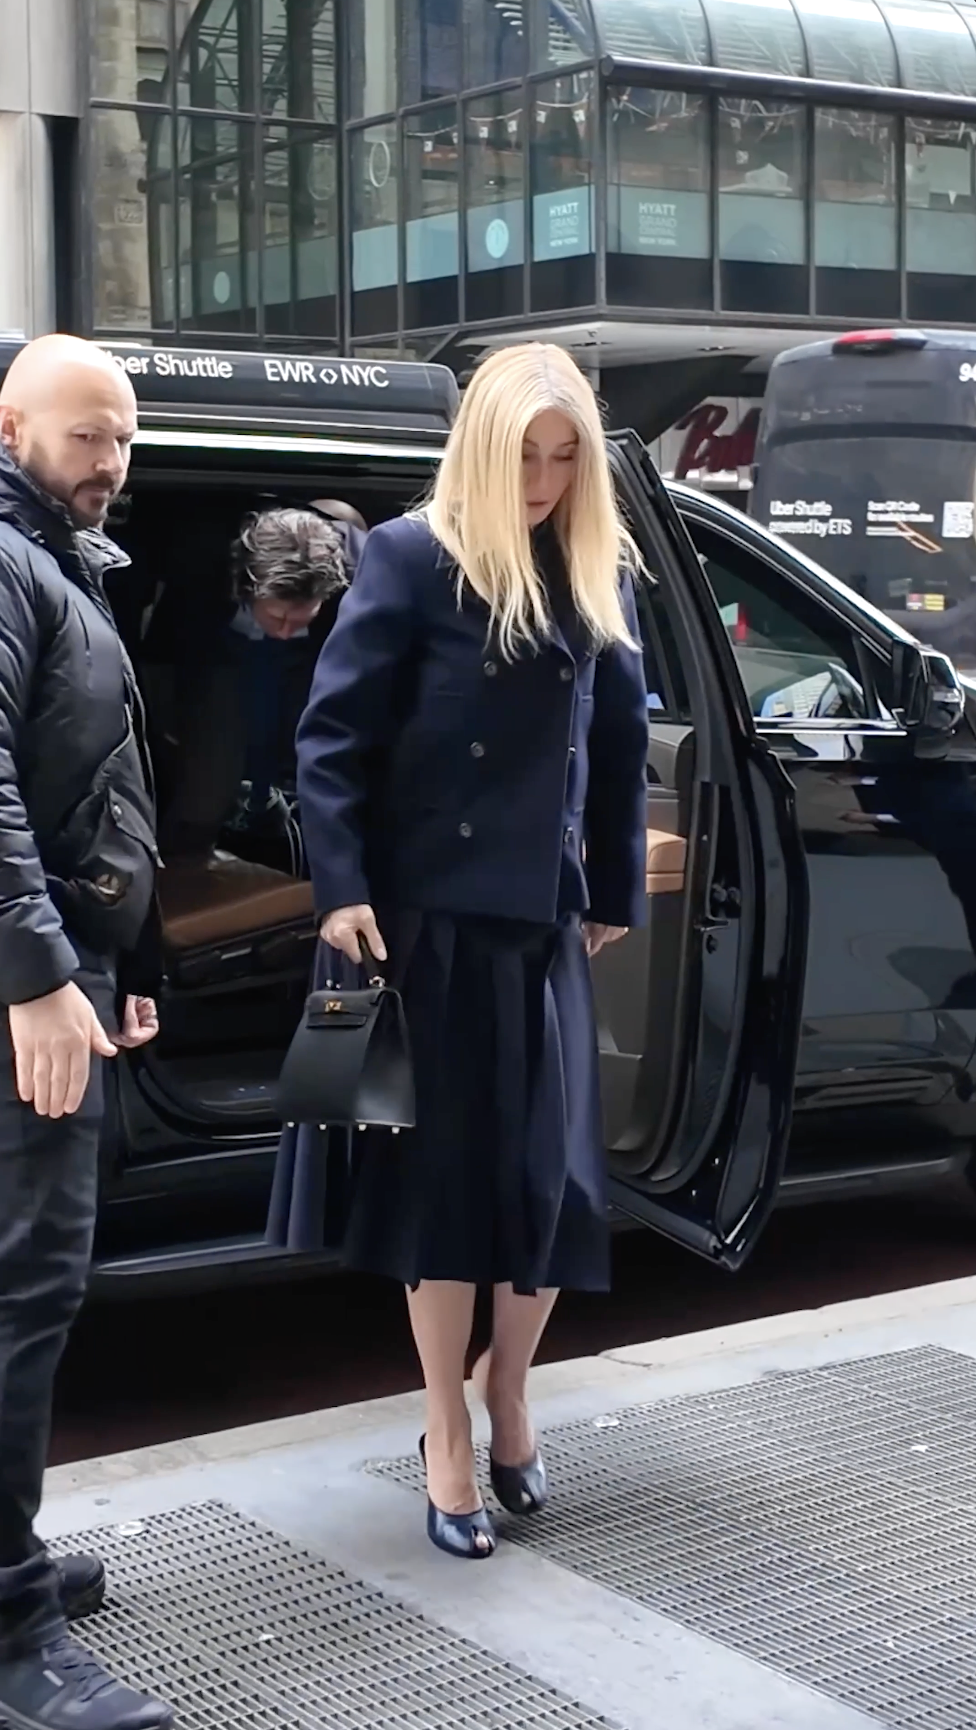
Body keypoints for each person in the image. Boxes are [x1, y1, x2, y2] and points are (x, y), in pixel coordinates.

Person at [293, 342, 648, 1559]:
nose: (546, 478)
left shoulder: (598, 562)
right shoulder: (409, 556)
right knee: (447, 1190)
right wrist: (340, 890)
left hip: (542, 917)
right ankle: (447, 1426)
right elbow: (331, 738)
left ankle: (509, 1391)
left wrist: (606, 887)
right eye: (528, 455)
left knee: (548, 1184)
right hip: (427, 917)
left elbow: (615, 740)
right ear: (484, 447)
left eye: (566, 457)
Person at [0, 335, 172, 1728]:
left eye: (121, 437)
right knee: (24, 1293)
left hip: (65, 976)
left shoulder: (52, 556)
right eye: (83, 437)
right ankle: (9, 1631)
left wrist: (134, 954)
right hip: (22, 1004)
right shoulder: (6, 560)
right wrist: (40, 978)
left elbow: (97, 779)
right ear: (12, 428)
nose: (109, 462)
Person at [145, 505, 348, 862]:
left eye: (300, 619)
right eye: (277, 617)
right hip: (213, 661)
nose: (286, 632)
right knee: (208, 778)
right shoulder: (199, 572)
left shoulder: (354, 582)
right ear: (247, 587)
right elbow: (159, 657)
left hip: (307, 667)